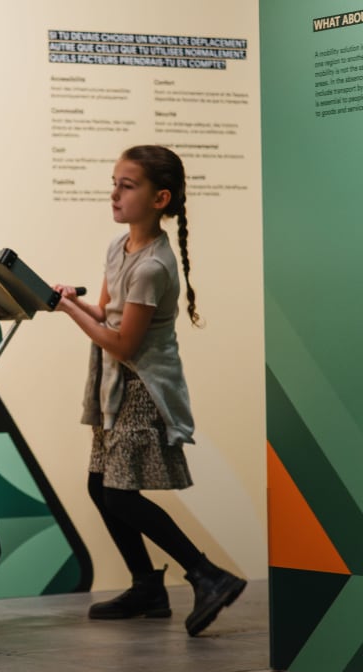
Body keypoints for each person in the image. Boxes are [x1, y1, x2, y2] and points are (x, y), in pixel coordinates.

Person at [53, 145, 246, 637]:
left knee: (119, 495)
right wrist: (72, 301)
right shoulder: (119, 249)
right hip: (114, 389)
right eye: (114, 181)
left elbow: (121, 344)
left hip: (141, 390)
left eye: (128, 185)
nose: (115, 193)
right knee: (103, 487)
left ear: (160, 198)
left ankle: (208, 574)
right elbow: (107, 315)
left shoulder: (153, 267)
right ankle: (147, 586)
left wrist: (68, 312)